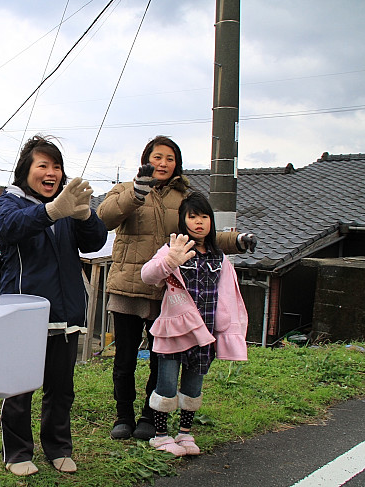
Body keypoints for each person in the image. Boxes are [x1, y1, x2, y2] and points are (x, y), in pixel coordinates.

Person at [97, 135, 255, 441]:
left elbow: (201, 231)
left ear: (177, 164)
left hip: (167, 290)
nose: (163, 164)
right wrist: (138, 193)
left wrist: (233, 241)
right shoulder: (125, 190)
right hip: (128, 287)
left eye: (169, 159)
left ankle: (148, 415)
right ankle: (123, 415)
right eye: (158, 157)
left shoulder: (183, 197)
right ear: (146, 159)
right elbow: (104, 218)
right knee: (125, 356)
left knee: (162, 357)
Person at [0, 135, 108, 476]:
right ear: (25, 171)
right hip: (24, 311)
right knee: (19, 386)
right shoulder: (9, 201)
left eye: (56, 166)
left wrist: (85, 214)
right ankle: (17, 453)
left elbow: (96, 241)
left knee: (61, 388)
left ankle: (58, 448)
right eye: (42, 165)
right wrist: (51, 211)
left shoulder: (68, 204)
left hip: (67, 311)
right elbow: (9, 228)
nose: (51, 172)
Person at [140, 192, 249, 456]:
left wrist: (226, 332)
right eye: (192, 216)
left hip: (205, 332)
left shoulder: (219, 257)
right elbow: (147, 275)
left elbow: (228, 297)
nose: (199, 222)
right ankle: (160, 435)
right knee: (165, 384)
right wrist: (170, 260)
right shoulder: (173, 249)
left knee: (193, 386)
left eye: (204, 216)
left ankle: (185, 434)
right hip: (174, 330)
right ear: (182, 220)